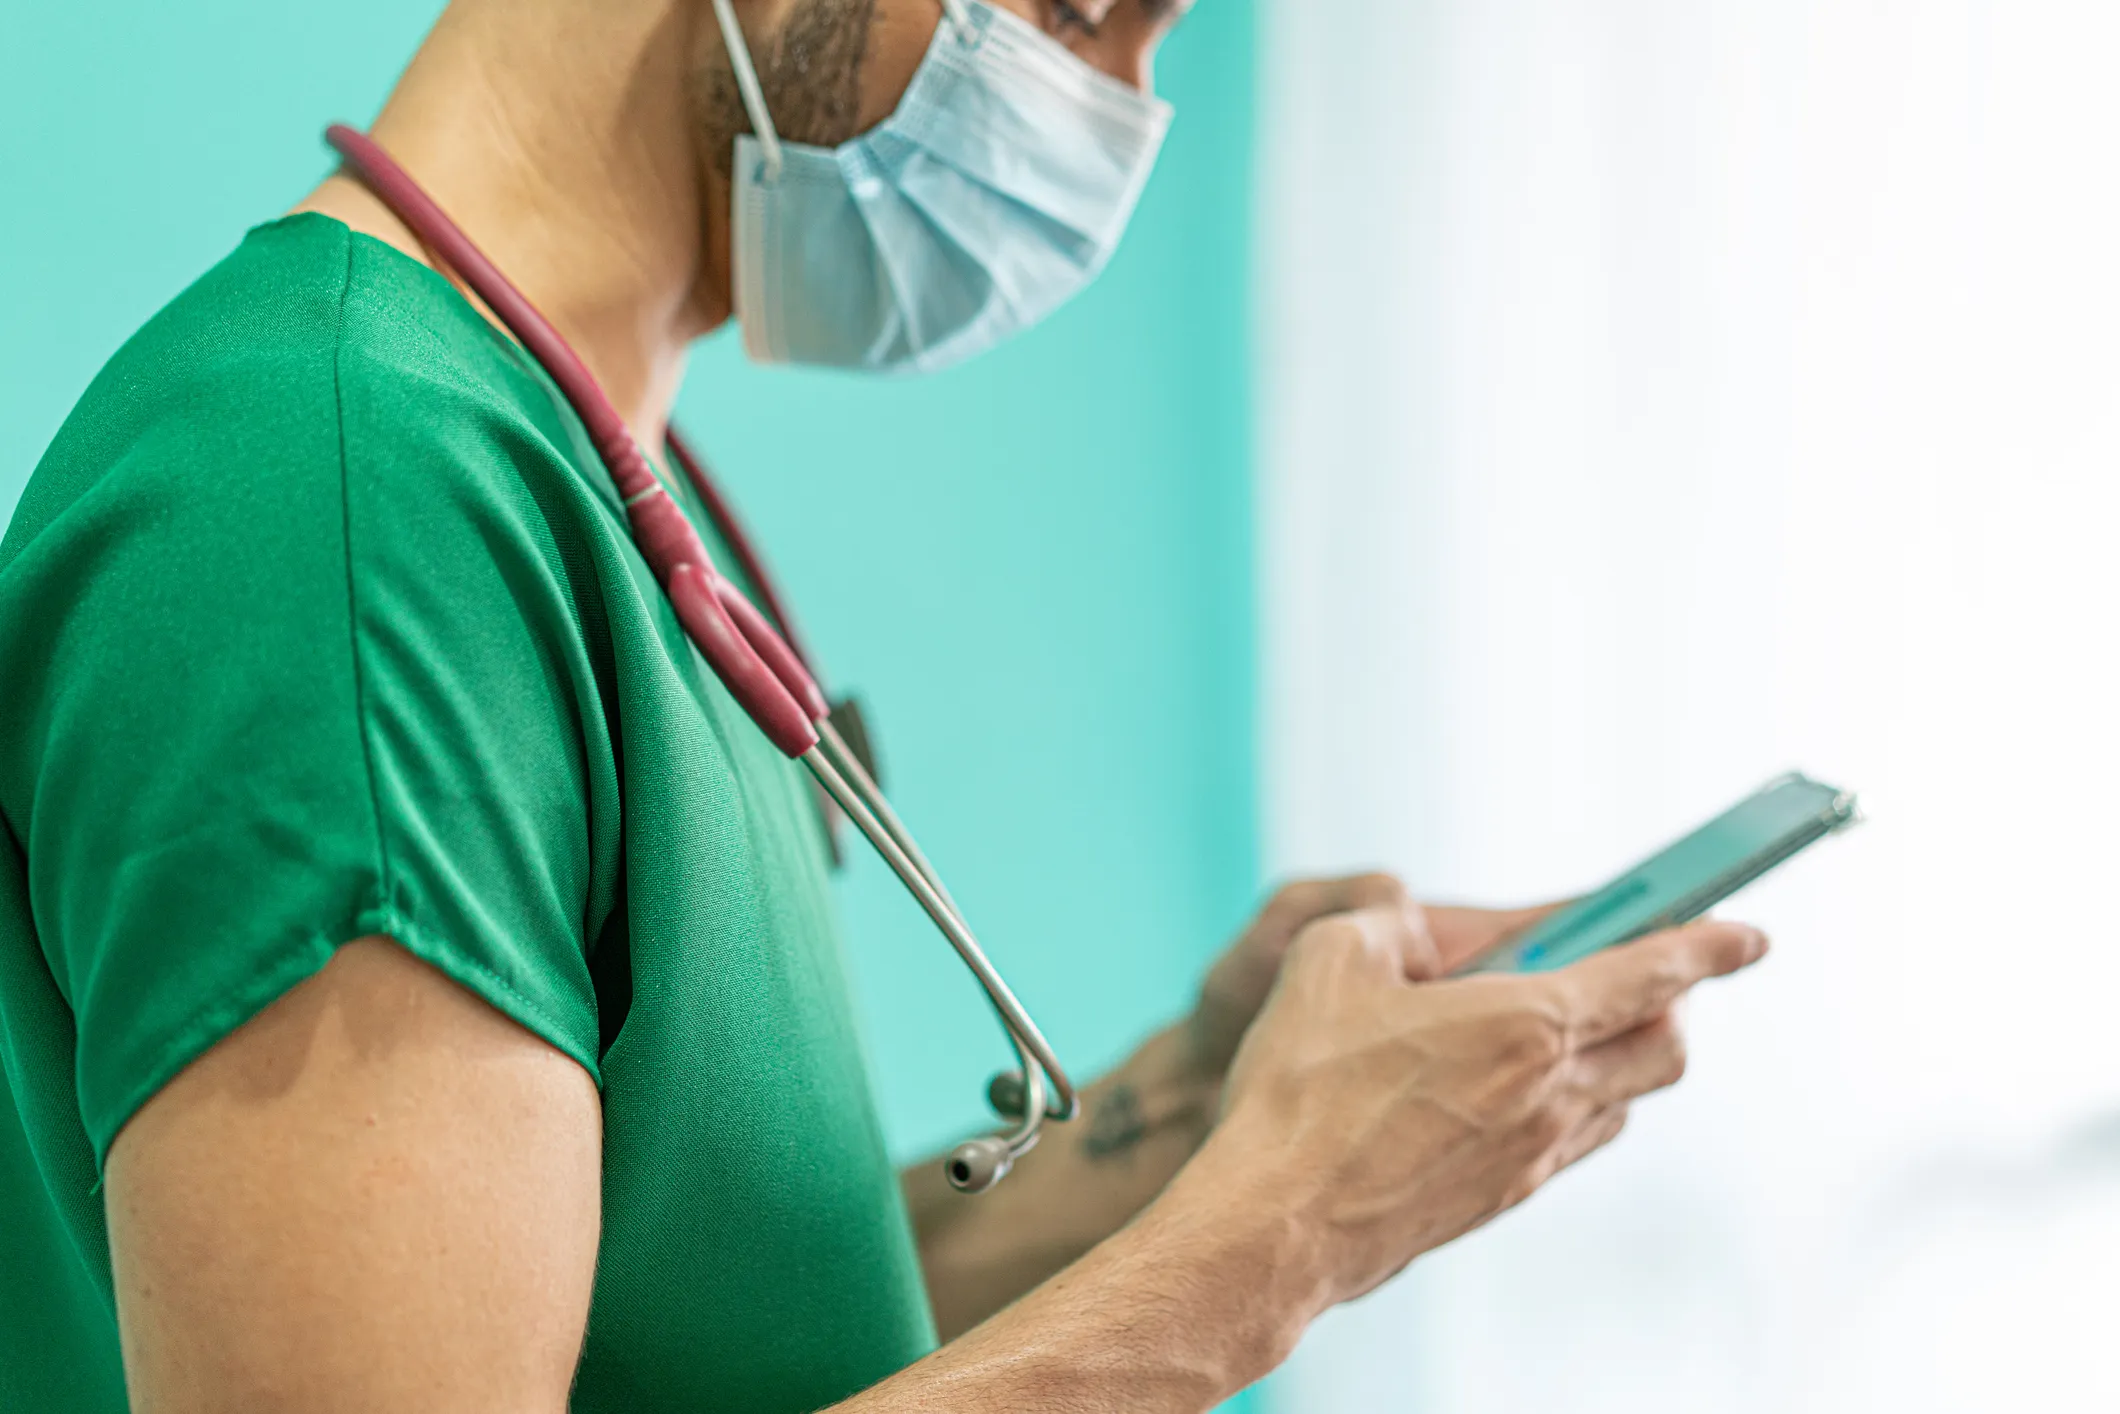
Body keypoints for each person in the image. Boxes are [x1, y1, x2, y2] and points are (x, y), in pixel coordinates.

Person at [0, 0, 1770, 1409]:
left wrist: (1207, 1114)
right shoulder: (346, 495)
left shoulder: (588, 475)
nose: (1112, 123)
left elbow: (712, 1344)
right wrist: (1282, 1231)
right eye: (1078, 3)